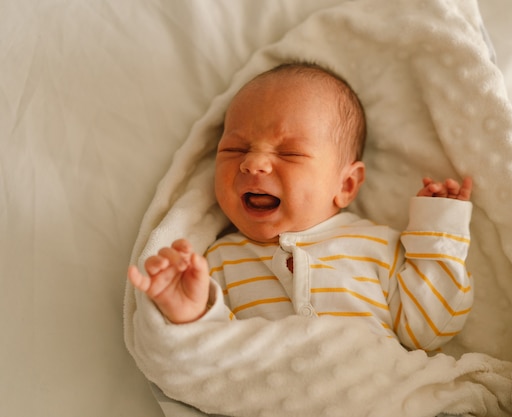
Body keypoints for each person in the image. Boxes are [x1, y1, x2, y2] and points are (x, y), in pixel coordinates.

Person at [128, 62, 474, 351]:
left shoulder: (377, 247)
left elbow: (430, 328)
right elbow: (215, 354)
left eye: (289, 153)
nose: (253, 164)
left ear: (346, 185)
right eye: (234, 150)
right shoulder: (216, 264)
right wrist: (188, 310)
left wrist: (437, 233)